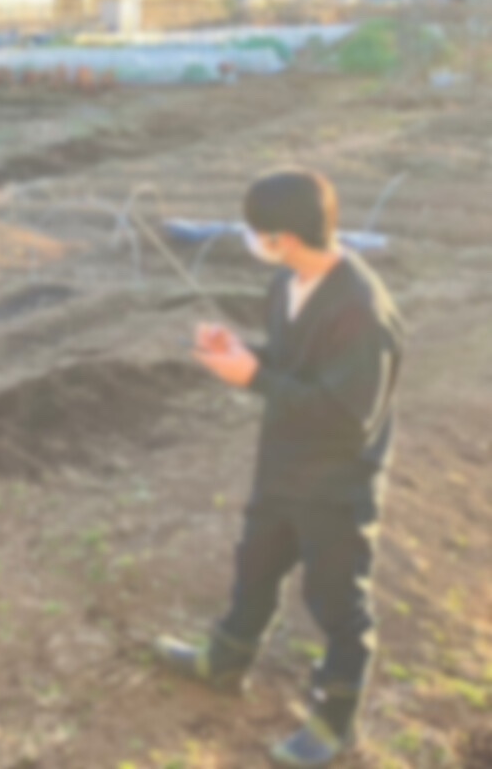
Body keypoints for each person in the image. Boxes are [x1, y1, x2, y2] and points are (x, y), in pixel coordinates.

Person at [155, 170, 404, 768]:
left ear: (286, 237)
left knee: (339, 601)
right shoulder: (289, 284)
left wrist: (256, 378)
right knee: (257, 564)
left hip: (338, 482)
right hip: (284, 464)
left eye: (257, 231)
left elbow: (348, 416)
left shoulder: (362, 311)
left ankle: (333, 721)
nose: (251, 239)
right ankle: (225, 661)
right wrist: (241, 352)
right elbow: (295, 365)